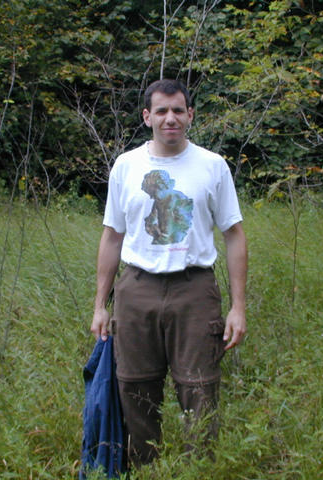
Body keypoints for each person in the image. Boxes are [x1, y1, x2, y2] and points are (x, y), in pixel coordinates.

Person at [90, 78, 247, 467]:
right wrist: (99, 305)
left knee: (200, 391)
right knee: (134, 388)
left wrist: (238, 307)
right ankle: (146, 470)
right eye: (161, 111)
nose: (170, 118)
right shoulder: (127, 166)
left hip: (194, 290)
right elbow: (111, 238)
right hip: (137, 288)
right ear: (147, 117)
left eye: (178, 110)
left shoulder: (212, 166)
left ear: (190, 115)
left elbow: (234, 235)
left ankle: (197, 470)